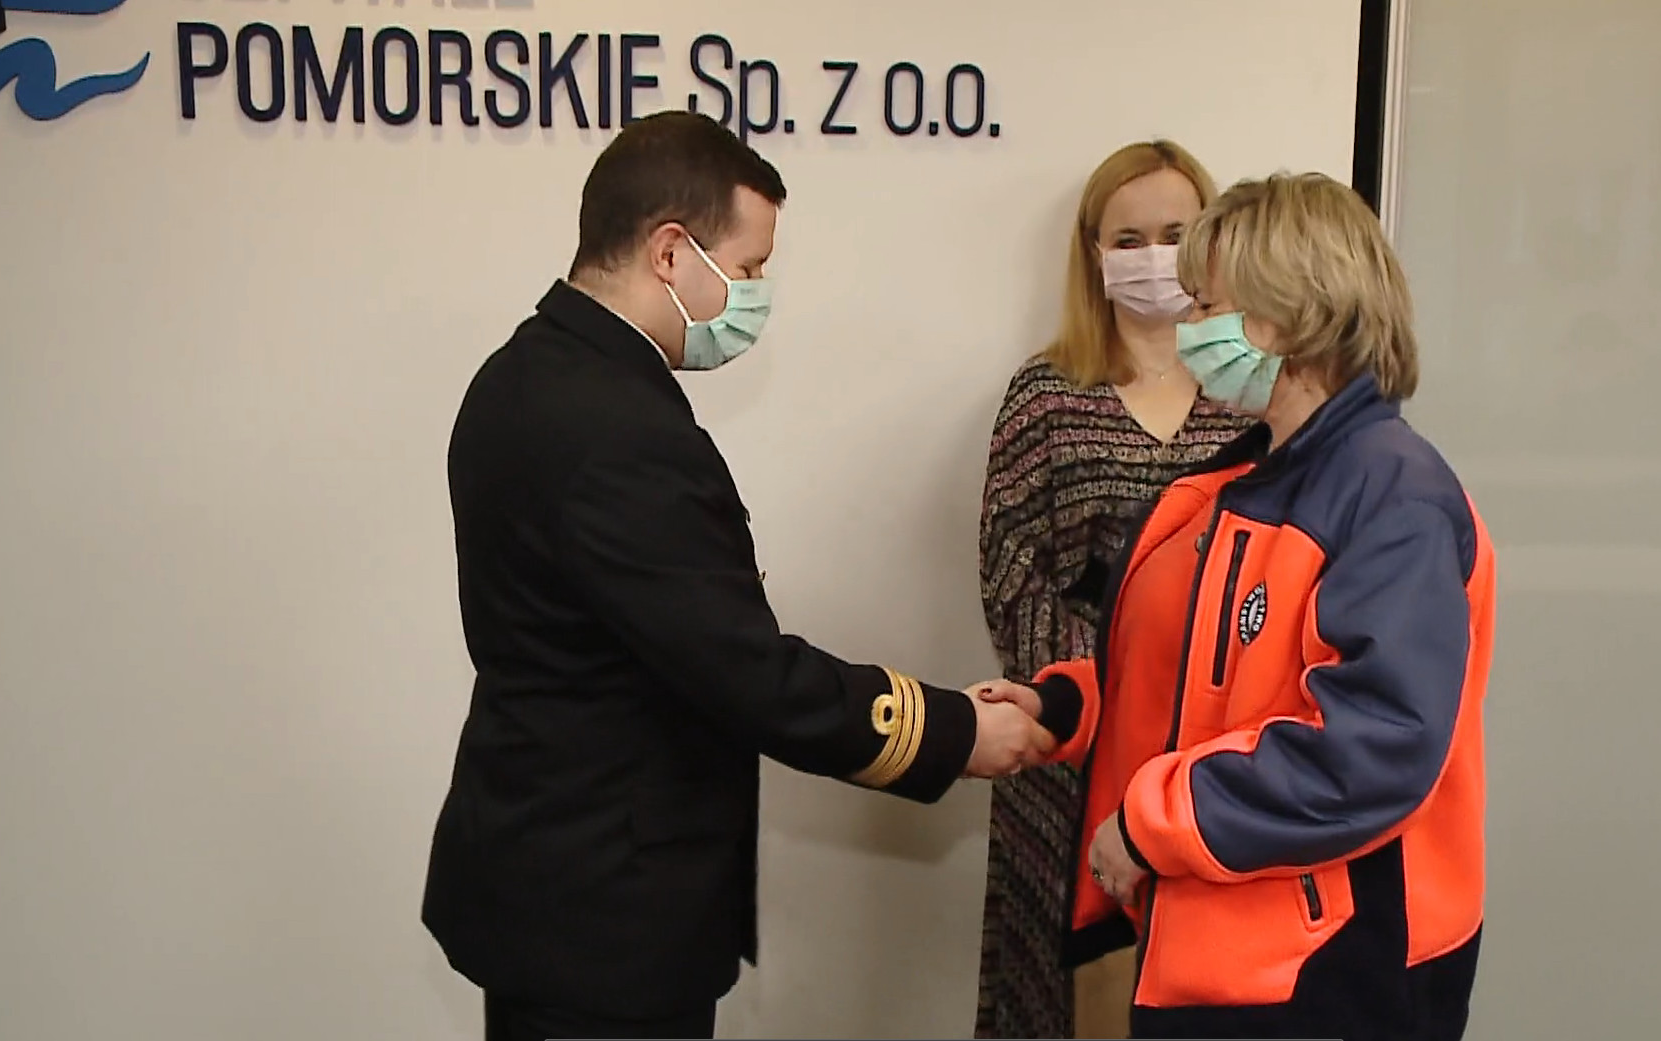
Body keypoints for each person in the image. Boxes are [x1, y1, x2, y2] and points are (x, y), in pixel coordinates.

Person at [421, 110, 1055, 1041]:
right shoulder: (617, 428)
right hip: (607, 917)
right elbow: (744, 671)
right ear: (670, 251)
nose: (755, 293)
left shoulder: (521, 373)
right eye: (749, 267)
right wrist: (953, 730)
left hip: (545, 877)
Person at [985, 172, 1495, 1040]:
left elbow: (1369, 747)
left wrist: (1153, 825)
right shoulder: (1248, 477)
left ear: (1289, 313)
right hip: (1218, 953)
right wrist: (1064, 704)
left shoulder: (1390, 497)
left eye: (1206, 304)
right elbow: (1200, 677)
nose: (1187, 326)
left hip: (1327, 970)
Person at [975, 140, 1253, 1039]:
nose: (1153, 256)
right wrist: (1103, 701)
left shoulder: (1250, 390)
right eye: (1128, 238)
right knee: (1062, 994)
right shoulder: (1046, 390)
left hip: (1220, 746)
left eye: (1174, 234)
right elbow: (1010, 570)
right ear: (1092, 252)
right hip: (1073, 745)